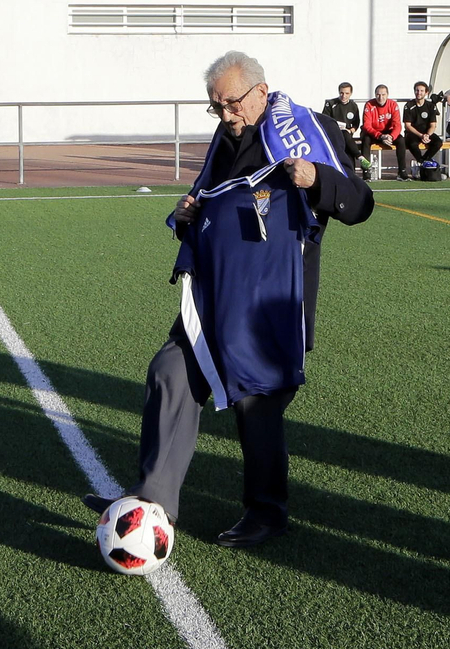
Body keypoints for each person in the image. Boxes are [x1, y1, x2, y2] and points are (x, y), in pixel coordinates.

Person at [82, 50, 373, 548]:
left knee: (257, 401)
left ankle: (266, 513)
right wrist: (188, 211)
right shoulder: (227, 134)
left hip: (270, 298)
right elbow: (211, 193)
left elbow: (360, 202)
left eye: (232, 104)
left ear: (261, 92)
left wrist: (317, 181)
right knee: (170, 372)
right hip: (215, 290)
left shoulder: (304, 128)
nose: (225, 115)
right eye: (216, 106)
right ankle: (152, 499)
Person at [397, 83, 444, 179]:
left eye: (422, 91)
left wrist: (427, 135)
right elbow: (407, 126)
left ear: (426, 93)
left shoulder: (430, 106)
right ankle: (425, 165)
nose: (419, 93)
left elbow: (433, 125)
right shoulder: (409, 105)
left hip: (426, 133)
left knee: (438, 142)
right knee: (412, 144)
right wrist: (420, 135)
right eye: (417, 90)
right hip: (413, 133)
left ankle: (422, 163)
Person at [360, 85, 400, 170]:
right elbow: (366, 126)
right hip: (374, 133)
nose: (380, 97)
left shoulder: (393, 104)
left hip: (388, 134)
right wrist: (380, 136)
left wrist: (391, 136)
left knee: (401, 140)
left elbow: (397, 125)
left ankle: (402, 171)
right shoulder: (369, 104)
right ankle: (366, 172)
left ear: (387, 95)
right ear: (375, 95)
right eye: (378, 95)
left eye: (383, 94)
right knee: (365, 139)